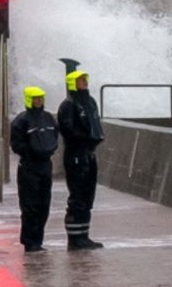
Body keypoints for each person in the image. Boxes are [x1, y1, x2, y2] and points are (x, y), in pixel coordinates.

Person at [57, 70, 105, 251]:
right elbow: (68, 129)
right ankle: (75, 239)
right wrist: (84, 140)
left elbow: (95, 124)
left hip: (89, 153)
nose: (84, 82)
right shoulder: (68, 105)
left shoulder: (90, 102)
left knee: (88, 195)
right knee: (77, 195)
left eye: (85, 79)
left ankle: (84, 235)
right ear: (72, 83)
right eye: (80, 80)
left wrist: (95, 140)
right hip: (76, 153)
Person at [11, 86, 58, 253]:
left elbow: (55, 137)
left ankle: (38, 239)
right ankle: (29, 242)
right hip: (29, 167)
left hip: (45, 166)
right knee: (30, 205)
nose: (39, 101)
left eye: (41, 98)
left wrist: (48, 150)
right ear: (29, 100)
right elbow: (16, 144)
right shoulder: (22, 120)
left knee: (44, 204)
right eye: (36, 99)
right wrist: (31, 152)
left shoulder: (48, 118)